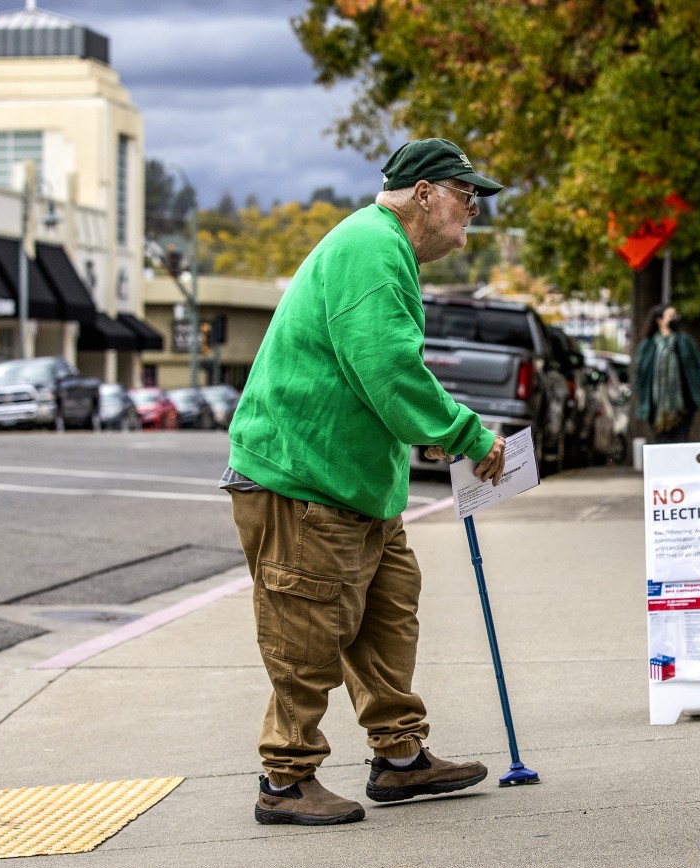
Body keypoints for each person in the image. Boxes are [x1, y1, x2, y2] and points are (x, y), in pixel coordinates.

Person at [222, 138, 509, 827]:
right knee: (307, 634)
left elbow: (381, 374)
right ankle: (285, 782)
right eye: (467, 198)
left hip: (351, 491)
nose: (474, 214)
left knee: (386, 620)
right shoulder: (372, 249)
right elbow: (390, 372)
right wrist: (468, 435)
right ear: (424, 194)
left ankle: (401, 758)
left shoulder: (383, 249)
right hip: (303, 483)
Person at [634, 304, 700, 443]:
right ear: (659, 320)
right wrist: (642, 395)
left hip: (684, 404)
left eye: (676, 315)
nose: (676, 318)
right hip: (655, 406)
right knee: (661, 443)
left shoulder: (684, 341)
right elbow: (640, 373)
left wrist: (696, 386)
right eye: (671, 316)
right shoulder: (648, 345)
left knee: (681, 442)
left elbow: (698, 365)